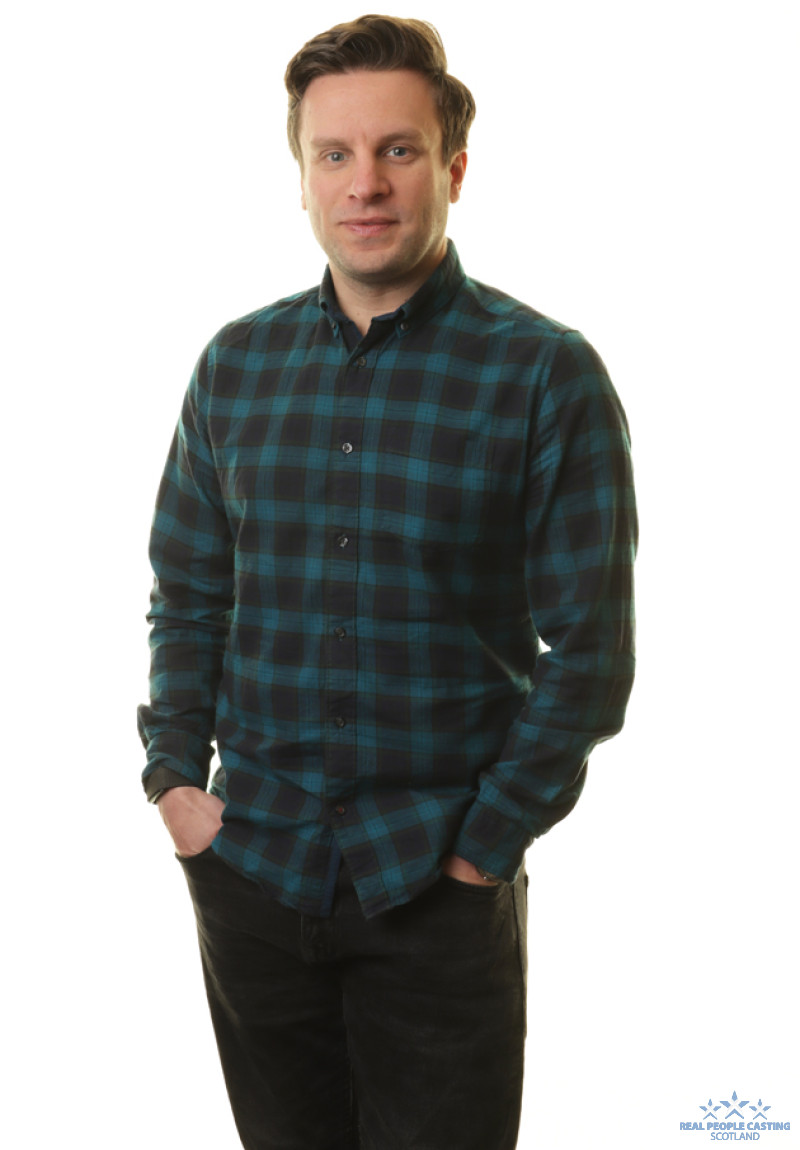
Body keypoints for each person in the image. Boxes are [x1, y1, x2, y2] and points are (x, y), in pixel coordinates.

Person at [138, 14, 637, 1150]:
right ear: (302, 178)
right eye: (335, 153)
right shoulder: (234, 366)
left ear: (453, 168)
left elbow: (592, 656)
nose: (364, 183)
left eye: (397, 150)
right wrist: (176, 785)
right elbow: (188, 594)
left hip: (436, 894)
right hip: (253, 876)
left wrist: (481, 850)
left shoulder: (543, 375)